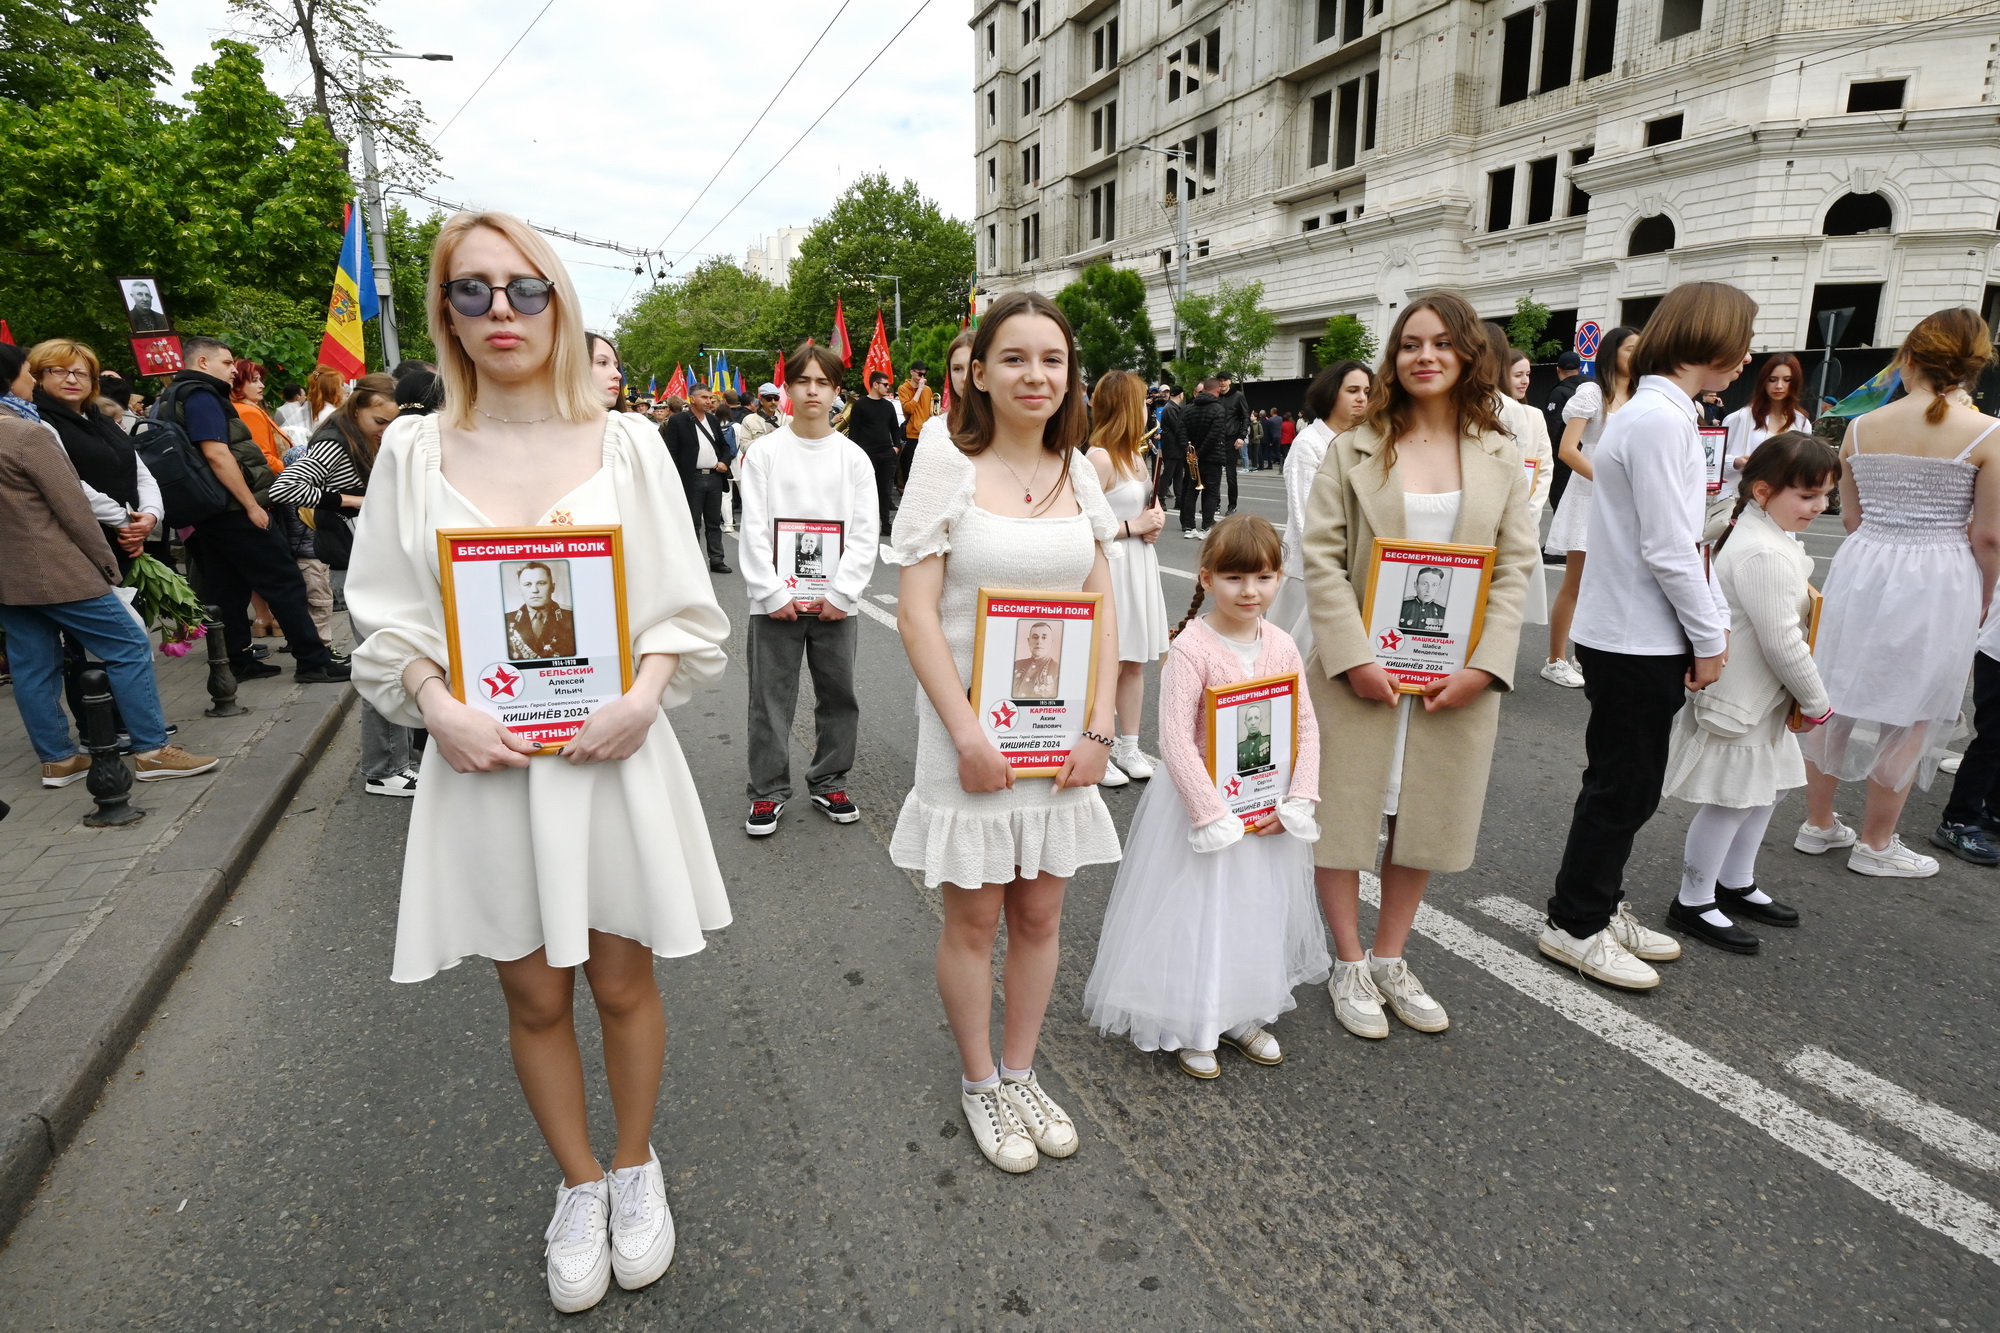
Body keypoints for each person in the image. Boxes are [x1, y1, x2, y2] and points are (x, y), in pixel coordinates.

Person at [345, 210, 728, 1313]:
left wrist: (644, 698)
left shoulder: (627, 443)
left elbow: (683, 613)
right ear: (444, 312)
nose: (499, 311)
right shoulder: (414, 452)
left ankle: (635, 1165)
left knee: (620, 977)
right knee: (529, 991)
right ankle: (576, 1181)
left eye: (523, 289)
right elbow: (386, 624)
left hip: (610, 756)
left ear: (557, 303)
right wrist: (435, 709)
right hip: (486, 763)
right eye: (472, 292)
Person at [889, 290, 1121, 1174]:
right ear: (978, 372)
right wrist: (966, 736)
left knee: (1042, 909)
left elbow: (1102, 605)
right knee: (976, 917)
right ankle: (981, 1080)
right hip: (970, 737)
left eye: (1052, 360)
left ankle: (1022, 1069)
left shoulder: (1082, 468)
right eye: (1015, 358)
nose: (1036, 375)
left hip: (1060, 740)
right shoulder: (944, 456)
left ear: (1071, 375)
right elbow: (916, 614)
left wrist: (1101, 724)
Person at [1302, 295, 1538, 1037]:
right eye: (1409, 344)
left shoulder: (1501, 453)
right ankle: (1347, 959)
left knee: (1422, 815)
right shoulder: (1356, 446)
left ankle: (1390, 955)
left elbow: (1516, 568)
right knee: (1342, 813)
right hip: (1362, 671)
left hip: (1454, 675)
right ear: (1393, 359)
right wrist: (1354, 656)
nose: (1424, 355)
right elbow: (1321, 558)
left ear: (1469, 354)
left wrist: (1486, 665)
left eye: (1440, 343)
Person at [1540, 281, 1757, 991]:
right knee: (1623, 787)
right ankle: (1576, 922)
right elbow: (1671, 547)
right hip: (1637, 635)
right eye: (1741, 341)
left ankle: (1596, 904)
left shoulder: (1657, 412)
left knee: (1621, 782)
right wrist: (1712, 634)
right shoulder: (1661, 420)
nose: (1747, 357)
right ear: (1712, 341)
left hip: (1632, 629)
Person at [1082, 513, 1328, 1078]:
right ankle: (1195, 1019)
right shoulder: (1193, 647)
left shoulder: (1284, 645)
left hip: (1264, 801)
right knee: (1201, 910)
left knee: (1254, 909)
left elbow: (1306, 725)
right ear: (1207, 576)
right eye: (1235, 578)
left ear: (1280, 578)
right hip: (1203, 807)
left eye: (1264, 578)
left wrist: (1299, 797)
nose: (1250, 591)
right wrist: (1211, 813)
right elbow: (1173, 737)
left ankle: (1241, 1011)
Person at [1799, 307, 2000, 876]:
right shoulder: (1987, 433)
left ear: (1909, 356)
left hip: (1865, 564)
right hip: (1940, 573)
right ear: (1972, 369)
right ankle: (1876, 843)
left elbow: (1853, 519)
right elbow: (1988, 535)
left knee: (1834, 692)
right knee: (1914, 707)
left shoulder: (1863, 426)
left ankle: (1817, 825)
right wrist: (1984, 597)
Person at [0, 346, 216, 786]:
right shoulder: (28, 433)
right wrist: (107, 562)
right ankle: (152, 749)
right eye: (33, 371)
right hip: (59, 567)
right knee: (129, 644)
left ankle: (58, 759)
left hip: (9, 573)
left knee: (33, 665)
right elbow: (72, 505)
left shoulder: (56, 424)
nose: (35, 379)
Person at [1660, 433, 1836, 952]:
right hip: (1743, 698)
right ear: (1763, 491)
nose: (1819, 506)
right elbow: (1784, 641)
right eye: (1806, 495)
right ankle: (1693, 899)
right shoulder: (1762, 551)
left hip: (1761, 699)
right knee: (1733, 801)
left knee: (1767, 790)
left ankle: (1735, 881)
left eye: (1825, 494)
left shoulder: (1763, 532)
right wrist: (1818, 702)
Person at [737, 342, 878, 835]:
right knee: (769, 697)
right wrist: (773, 593)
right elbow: (752, 526)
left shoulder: (854, 459)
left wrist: (842, 595)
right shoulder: (764, 454)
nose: (813, 390)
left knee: (838, 695)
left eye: (823, 382)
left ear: (837, 391)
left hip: (835, 603)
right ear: (787, 389)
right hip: (774, 602)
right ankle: (768, 790)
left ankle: (829, 779)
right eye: (803, 381)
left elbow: (865, 532)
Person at [151, 337, 348, 684]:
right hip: (231, 508)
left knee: (227, 587)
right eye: (227, 363)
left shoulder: (172, 396)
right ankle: (313, 661)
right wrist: (251, 505)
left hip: (208, 509)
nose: (232, 370)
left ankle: (237, 659)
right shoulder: (200, 394)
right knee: (284, 580)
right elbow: (217, 453)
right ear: (201, 362)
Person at [270, 374, 416, 797]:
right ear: (356, 408)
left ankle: (397, 761)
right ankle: (384, 769)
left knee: (395, 660)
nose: (385, 429)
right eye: (379, 420)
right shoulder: (335, 442)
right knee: (384, 662)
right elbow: (285, 487)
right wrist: (356, 500)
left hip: (369, 560)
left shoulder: (359, 437)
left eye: (392, 422)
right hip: (357, 564)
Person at [1541, 325, 1639, 688]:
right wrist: (1609, 481)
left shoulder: (1645, 395)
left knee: (1610, 582)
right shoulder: (1592, 392)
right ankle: (1555, 659)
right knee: (1576, 582)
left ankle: (1587, 656)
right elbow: (1568, 449)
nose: (1638, 355)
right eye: (1631, 348)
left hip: (1629, 497)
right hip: (1590, 492)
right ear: (1612, 353)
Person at [1085, 369, 1169, 787]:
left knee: (1133, 661)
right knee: (1108, 662)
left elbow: (1138, 513)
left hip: (1138, 563)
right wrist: (1134, 526)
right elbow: (1082, 525)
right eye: (1140, 401)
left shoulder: (1136, 457)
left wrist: (1154, 521)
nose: (1146, 408)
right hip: (1111, 566)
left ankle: (1129, 745)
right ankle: (1098, 743)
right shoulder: (1097, 458)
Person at [27, 339, 161, 574]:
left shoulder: (104, 420)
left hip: (127, 540)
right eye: (58, 371)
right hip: (79, 548)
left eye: (81, 373)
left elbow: (140, 472)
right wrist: (125, 522)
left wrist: (150, 515)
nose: (71, 379)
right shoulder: (37, 422)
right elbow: (66, 484)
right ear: (38, 376)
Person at [1272, 361, 1370, 654]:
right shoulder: (1309, 444)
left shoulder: (1362, 441)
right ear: (1331, 394)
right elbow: (1305, 518)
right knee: (1298, 658)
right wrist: (1334, 564)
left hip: (1352, 566)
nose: (1362, 398)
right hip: (1311, 571)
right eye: (1352, 390)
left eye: (1366, 391)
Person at [1714, 353, 1812, 531]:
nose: (1779, 386)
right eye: (1772, 379)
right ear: (1763, 382)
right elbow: (1713, 460)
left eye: (1787, 380)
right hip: (1743, 503)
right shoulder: (1739, 418)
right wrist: (1736, 462)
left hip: (1783, 502)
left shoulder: (1801, 422)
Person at [1495, 339, 1555, 627]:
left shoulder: (1534, 416)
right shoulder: (1487, 409)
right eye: (1518, 374)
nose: (1525, 381)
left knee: (1513, 605)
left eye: (1528, 374)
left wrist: (1531, 512)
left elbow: (1544, 468)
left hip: (1524, 515)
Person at [662, 384, 734, 574]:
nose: (709, 401)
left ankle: (717, 559)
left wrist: (724, 462)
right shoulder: (678, 421)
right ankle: (692, 563)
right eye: (704, 397)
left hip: (714, 478)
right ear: (692, 399)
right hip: (691, 478)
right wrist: (676, 480)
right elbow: (672, 452)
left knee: (713, 522)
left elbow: (725, 447)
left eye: (711, 398)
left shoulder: (712, 420)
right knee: (692, 523)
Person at [846, 368, 903, 532]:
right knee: (865, 491)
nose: (887, 387)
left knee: (885, 490)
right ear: (875, 384)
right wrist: (855, 455)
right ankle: (866, 524)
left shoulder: (888, 406)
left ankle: (885, 523)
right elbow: (854, 432)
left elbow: (894, 429)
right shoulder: (860, 405)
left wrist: (896, 447)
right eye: (885, 384)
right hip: (866, 454)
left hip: (886, 453)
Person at [1178, 377, 1230, 538]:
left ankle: (1189, 527)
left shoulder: (1187, 409)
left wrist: (1190, 452)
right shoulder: (1219, 409)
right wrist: (1199, 453)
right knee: (1211, 492)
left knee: (1190, 492)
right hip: (1212, 457)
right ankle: (1206, 526)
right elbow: (1215, 435)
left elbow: (1180, 432)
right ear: (1217, 390)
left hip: (1192, 458)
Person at [230, 360, 291, 472]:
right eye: (254, 380)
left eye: (260, 380)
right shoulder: (248, 412)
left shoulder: (239, 407)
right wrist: (296, 473)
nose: (262, 386)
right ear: (238, 385)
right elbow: (263, 458)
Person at [1544, 350, 1585, 510]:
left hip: (1564, 461)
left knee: (1560, 503)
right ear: (1580, 369)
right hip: (1587, 460)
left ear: (1558, 370)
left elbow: (1552, 428)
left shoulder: (1559, 393)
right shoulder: (1593, 390)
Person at [1215, 371, 1248, 511]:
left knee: (1230, 476)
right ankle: (1214, 504)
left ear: (1230, 381)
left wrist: (1241, 437)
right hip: (1215, 440)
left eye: (1224, 380)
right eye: (1220, 380)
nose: (1222, 383)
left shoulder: (1238, 396)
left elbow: (1245, 417)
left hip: (1231, 440)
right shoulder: (1215, 396)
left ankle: (1232, 506)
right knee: (1213, 475)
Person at [898, 361, 934, 485]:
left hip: (926, 434)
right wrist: (919, 390)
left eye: (924, 374)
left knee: (923, 470)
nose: (922, 377)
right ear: (912, 372)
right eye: (920, 374)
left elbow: (930, 411)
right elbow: (908, 409)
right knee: (908, 467)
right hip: (911, 435)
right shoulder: (903, 388)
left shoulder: (928, 390)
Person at [1397, 566, 1449, 633]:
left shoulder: (1444, 611)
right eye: (1424, 584)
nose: (1429, 590)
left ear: (1438, 588)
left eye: (1434, 585)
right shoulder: (1401, 605)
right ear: (1416, 585)